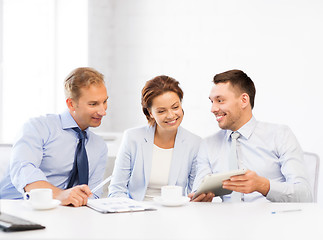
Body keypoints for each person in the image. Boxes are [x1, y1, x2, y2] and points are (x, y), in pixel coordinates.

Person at [190, 69, 312, 202]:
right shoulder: (208, 144)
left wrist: (263, 185)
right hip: (225, 221)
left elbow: (305, 195)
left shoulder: (280, 135)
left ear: (243, 100)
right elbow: (198, 190)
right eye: (212, 101)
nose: (213, 109)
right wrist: (199, 199)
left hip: (273, 220)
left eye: (220, 100)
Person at [0, 67, 109, 207]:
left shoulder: (99, 146)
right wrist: (60, 195)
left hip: (62, 215)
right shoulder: (38, 127)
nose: (102, 111)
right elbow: (24, 170)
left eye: (104, 101)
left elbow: (93, 195)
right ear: (71, 103)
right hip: (15, 208)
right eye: (93, 104)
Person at [108, 75, 201, 201]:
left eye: (175, 107)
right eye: (161, 111)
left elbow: (194, 194)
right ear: (150, 113)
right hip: (135, 213)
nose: (171, 115)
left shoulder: (195, 143)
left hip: (175, 214)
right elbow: (117, 189)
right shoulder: (132, 138)